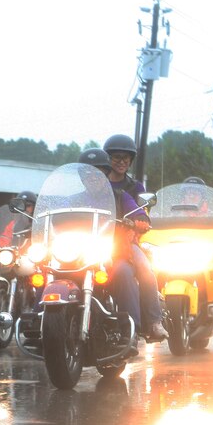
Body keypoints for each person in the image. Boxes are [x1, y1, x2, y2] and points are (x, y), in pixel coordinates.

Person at [89, 140, 168, 340]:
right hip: (88, 243)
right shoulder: (85, 193)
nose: (121, 161)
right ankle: (39, 320)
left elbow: (140, 212)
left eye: (126, 158)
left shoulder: (128, 190)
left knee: (144, 269)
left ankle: (152, 321)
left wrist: (139, 222)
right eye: (117, 157)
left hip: (123, 241)